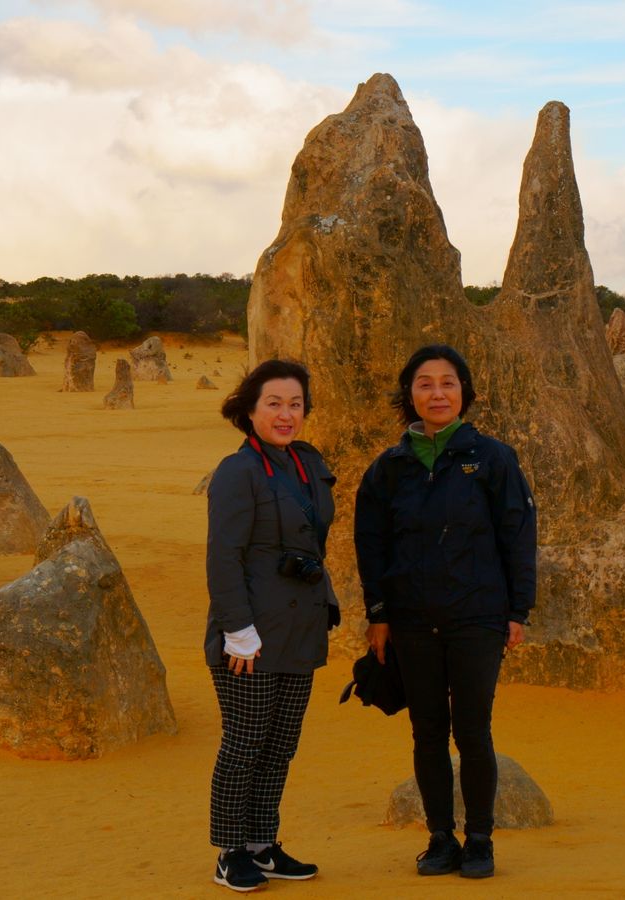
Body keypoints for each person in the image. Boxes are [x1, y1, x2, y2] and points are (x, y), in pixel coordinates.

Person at [354, 344, 536, 879]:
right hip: (412, 621)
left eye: (448, 383)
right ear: (409, 394)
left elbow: (518, 536)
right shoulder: (389, 468)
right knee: (427, 731)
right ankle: (439, 837)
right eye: (425, 383)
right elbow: (371, 545)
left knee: (473, 730)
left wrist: (517, 610)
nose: (437, 393)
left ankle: (479, 839)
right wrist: (378, 613)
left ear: (464, 393)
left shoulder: (493, 459)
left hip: (477, 617)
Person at [204, 359, 340, 893]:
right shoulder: (237, 472)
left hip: (300, 629)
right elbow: (224, 558)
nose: (286, 414)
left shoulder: (306, 463)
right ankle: (229, 852)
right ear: (250, 410)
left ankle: (262, 844)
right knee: (244, 743)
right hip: (252, 638)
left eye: (296, 404)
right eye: (274, 404)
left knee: (281, 745)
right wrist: (237, 630)